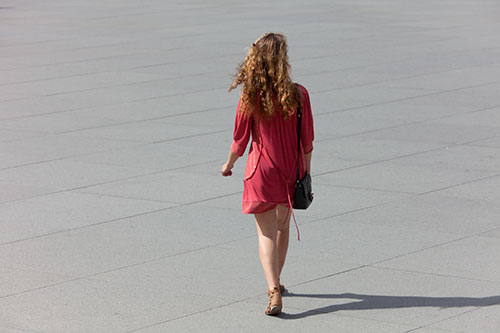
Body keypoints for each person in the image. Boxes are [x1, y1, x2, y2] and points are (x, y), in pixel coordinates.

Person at [221, 33, 314, 316]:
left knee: (266, 234)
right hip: (290, 170)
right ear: (283, 60)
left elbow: (240, 140)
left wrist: (228, 165)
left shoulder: (251, 95)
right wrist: (305, 172)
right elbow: (307, 141)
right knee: (282, 228)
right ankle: (276, 283)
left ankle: (273, 289)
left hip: (261, 171)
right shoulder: (299, 94)